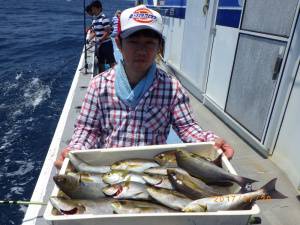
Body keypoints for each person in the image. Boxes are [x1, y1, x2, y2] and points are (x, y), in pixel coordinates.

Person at [55, 5, 234, 169]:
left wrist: (211, 141)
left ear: (159, 47)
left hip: (154, 171)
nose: (141, 50)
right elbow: (88, 129)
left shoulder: (172, 87)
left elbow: (187, 127)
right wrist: (74, 151)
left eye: (149, 43)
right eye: (133, 42)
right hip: (111, 170)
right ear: (119, 43)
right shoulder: (98, 85)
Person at [87, 0, 116, 73]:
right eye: (92, 9)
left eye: (93, 8)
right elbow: (94, 32)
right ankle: (101, 78)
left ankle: (116, 78)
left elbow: (107, 31)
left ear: (99, 8)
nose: (92, 10)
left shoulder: (104, 18)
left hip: (106, 44)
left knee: (111, 62)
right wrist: (88, 39)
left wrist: (100, 40)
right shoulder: (94, 20)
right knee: (101, 63)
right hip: (100, 45)